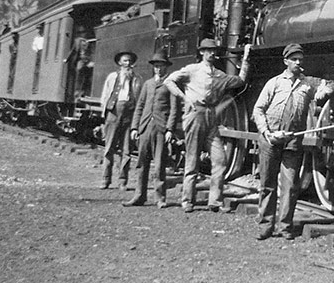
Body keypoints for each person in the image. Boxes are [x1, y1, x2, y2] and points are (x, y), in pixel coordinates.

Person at [252, 44, 334, 241]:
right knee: (267, 184)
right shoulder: (273, 83)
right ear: (286, 61)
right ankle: (266, 226)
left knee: (290, 185)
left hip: (292, 141)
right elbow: (258, 109)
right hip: (270, 139)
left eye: (300, 59)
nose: (299, 62)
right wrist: (266, 132)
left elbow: (333, 84)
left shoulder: (308, 83)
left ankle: (285, 227)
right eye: (294, 59)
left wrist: (324, 91)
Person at [164, 39, 252, 213]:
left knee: (220, 160)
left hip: (211, 118)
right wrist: (184, 98)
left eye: (213, 50)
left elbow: (240, 80)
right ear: (202, 52)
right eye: (208, 50)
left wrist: (247, 58)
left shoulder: (219, 75)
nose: (212, 53)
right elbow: (169, 81)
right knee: (192, 159)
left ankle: (215, 201)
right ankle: (187, 201)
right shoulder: (192, 70)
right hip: (195, 115)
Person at [122, 50, 180, 208]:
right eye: (156, 66)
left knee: (160, 163)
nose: (159, 69)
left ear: (166, 67)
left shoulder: (170, 84)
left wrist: (169, 129)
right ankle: (139, 196)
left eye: (161, 66)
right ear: (153, 68)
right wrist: (135, 127)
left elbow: (174, 109)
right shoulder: (147, 84)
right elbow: (140, 106)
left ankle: (160, 198)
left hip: (160, 128)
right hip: (145, 127)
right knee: (142, 163)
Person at [99, 51, 143, 190]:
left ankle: (122, 181)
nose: (128, 63)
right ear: (119, 63)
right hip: (114, 112)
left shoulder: (137, 78)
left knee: (127, 150)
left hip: (129, 114)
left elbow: (139, 98)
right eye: (125, 61)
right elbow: (105, 95)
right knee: (109, 148)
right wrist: (105, 112)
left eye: (130, 61)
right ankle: (105, 180)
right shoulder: (112, 77)